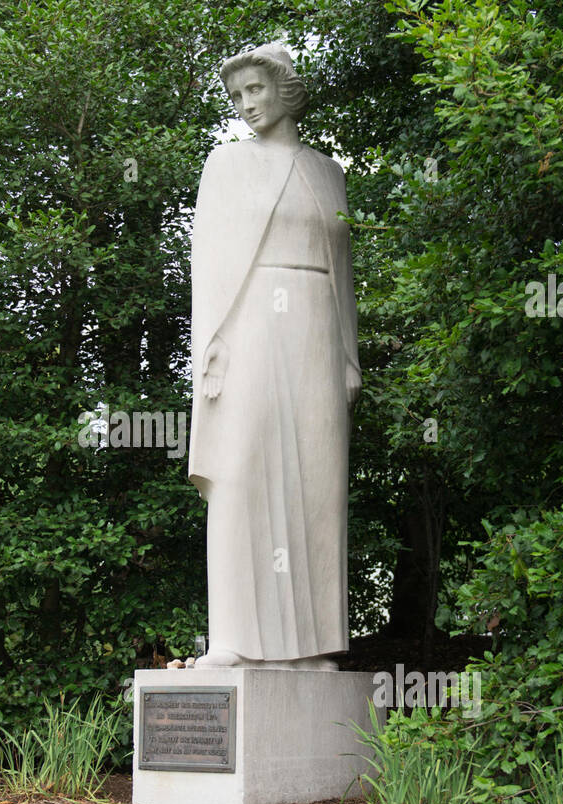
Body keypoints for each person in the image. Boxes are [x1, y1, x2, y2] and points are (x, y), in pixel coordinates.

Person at [188, 44, 362, 670]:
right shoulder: (226, 165)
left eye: (255, 89)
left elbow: (341, 269)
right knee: (242, 467)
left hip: (316, 326)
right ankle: (234, 635)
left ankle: (310, 645)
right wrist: (210, 345)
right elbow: (208, 261)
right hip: (252, 320)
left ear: (285, 91)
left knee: (318, 480)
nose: (246, 104)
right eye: (237, 97)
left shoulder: (328, 172)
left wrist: (348, 353)